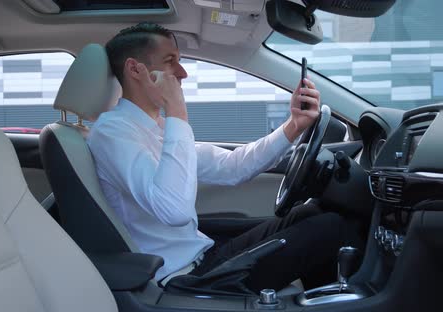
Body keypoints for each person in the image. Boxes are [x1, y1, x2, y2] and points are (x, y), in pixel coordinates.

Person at [87, 22, 363, 293]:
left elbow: (232, 167)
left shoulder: (153, 128)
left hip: (202, 253)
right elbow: (174, 210)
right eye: (171, 61)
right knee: (331, 228)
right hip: (183, 275)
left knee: (312, 212)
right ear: (136, 69)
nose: (182, 73)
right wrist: (176, 111)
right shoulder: (113, 133)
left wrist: (294, 126)